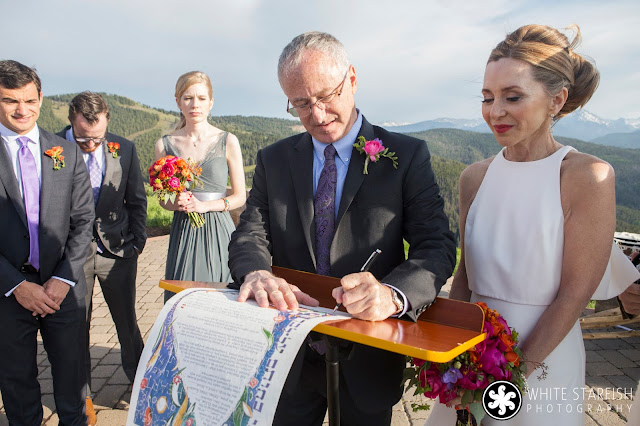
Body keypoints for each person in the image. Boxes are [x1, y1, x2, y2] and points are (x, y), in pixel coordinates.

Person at [228, 32, 457, 425]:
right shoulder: (274, 160)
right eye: (300, 104)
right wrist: (256, 271)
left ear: (351, 78)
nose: (316, 115)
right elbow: (251, 232)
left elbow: (436, 245)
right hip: (288, 355)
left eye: (325, 96)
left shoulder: (406, 155)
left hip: (368, 356)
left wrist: (392, 295)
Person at [426, 25, 640, 425]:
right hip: (471, 355)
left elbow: (575, 295)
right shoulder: (474, 177)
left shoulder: (588, 176)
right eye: (487, 98)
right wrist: (448, 351)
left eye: (513, 97)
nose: (495, 111)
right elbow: (465, 274)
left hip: (543, 360)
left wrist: (510, 376)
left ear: (556, 100)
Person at [0, 60, 94, 424]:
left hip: (63, 292)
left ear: (41, 97)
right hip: (8, 296)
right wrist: (16, 285)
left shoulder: (66, 153)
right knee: (19, 392)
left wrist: (62, 279)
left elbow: (83, 220)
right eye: (10, 101)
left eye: (29, 100)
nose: (22, 110)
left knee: (72, 389)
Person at [58, 91, 147, 423]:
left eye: (97, 138)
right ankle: (83, 399)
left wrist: (136, 243)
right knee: (75, 328)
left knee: (127, 325)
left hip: (118, 251)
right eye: (82, 139)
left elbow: (136, 199)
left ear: (107, 122)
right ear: (71, 122)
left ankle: (140, 386)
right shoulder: (51, 149)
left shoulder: (123, 147)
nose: (90, 145)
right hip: (71, 256)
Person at [156, 71, 245, 302]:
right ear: (178, 102)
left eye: (202, 98)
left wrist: (205, 206)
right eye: (188, 98)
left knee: (222, 297)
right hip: (184, 230)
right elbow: (163, 200)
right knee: (183, 300)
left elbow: (239, 197)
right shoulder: (164, 145)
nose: (195, 104)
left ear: (211, 102)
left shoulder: (228, 140)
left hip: (220, 229)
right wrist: (176, 203)